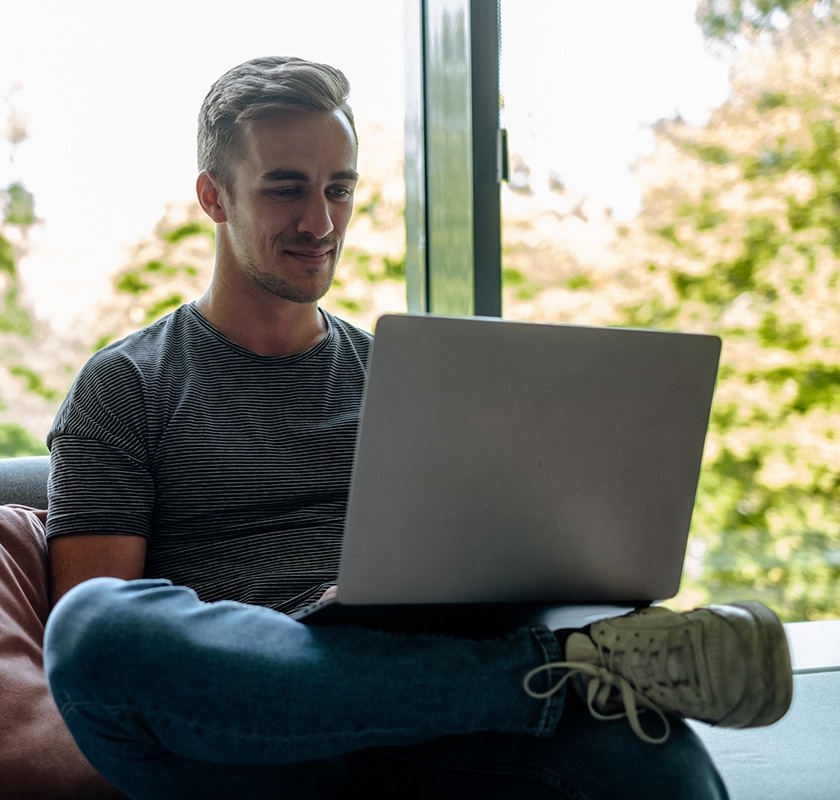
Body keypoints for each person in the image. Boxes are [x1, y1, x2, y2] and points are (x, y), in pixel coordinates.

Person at [40, 56, 793, 799]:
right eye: (286, 189)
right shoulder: (124, 385)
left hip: (434, 717)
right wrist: (304, 644)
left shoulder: (412, 379)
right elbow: (98, 616)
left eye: (340, 189)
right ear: (214, 197)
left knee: (657, 763)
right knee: (93, 634)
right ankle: (560, 672)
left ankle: (552, 673)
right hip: (248, 740)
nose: (321, 221)